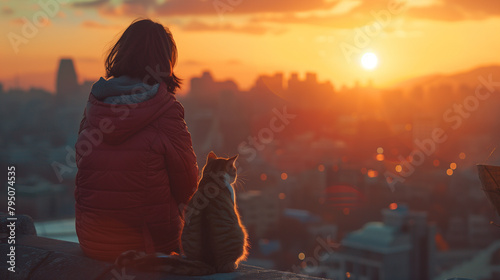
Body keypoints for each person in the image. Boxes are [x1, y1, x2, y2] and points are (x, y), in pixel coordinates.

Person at [74, 18, 198, 262]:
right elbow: (188, 187)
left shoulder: (96, 104)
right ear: (166, 61)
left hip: (92, 241)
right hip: (147, 247)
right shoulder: (165, 110)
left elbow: (83, 164)